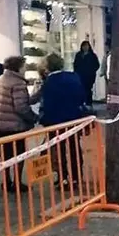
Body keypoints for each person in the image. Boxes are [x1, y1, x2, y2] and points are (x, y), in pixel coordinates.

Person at [40, 53, 89, 186]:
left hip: (55, 121)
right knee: (74, 148)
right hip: (73, 118)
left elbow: (48, 104)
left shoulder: (49, 82)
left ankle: (63, 177)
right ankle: (77, 176)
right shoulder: (74, 77)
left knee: (59, 150)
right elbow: (82, 96)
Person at [0, 56, 38, 192]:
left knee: (5, 156)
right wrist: (33, 118)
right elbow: (21, 107)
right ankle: (17, 182)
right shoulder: (17, 83)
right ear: (17, 67)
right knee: (19, 155)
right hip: (13, 126)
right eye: (24, 66)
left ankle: (6, 181)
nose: (25, 68)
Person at [73, 40, 100, 106]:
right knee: (81, 89)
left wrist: (91, 71)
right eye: (84, 46)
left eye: (86, 46)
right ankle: (82, 102)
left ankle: (89, 103)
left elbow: (97, 65)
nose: (85, 47)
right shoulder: (78, 55)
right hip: (80, 75)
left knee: (88, 89)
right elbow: (75, 64)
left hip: (89, 76)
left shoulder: (92, 55)